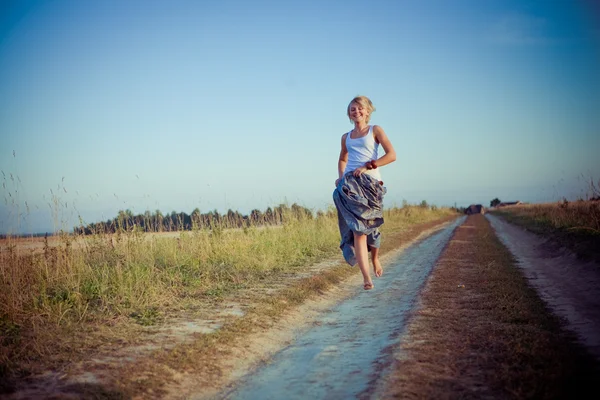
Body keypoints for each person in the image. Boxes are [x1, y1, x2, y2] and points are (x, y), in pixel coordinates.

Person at [333, 95, 396, 290]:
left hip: (371, 184)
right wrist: (341, 177)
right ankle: (366, 278)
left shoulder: (375, 130)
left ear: (367, 111)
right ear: (349, 113)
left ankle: (375, 258)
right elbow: (342, 159)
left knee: (372, 228)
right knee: (358, 231)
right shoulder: (346, 137)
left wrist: (369, 166)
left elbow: (392, 155)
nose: (356, 111)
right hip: (350, 186)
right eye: (352, 109)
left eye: (360, 108)